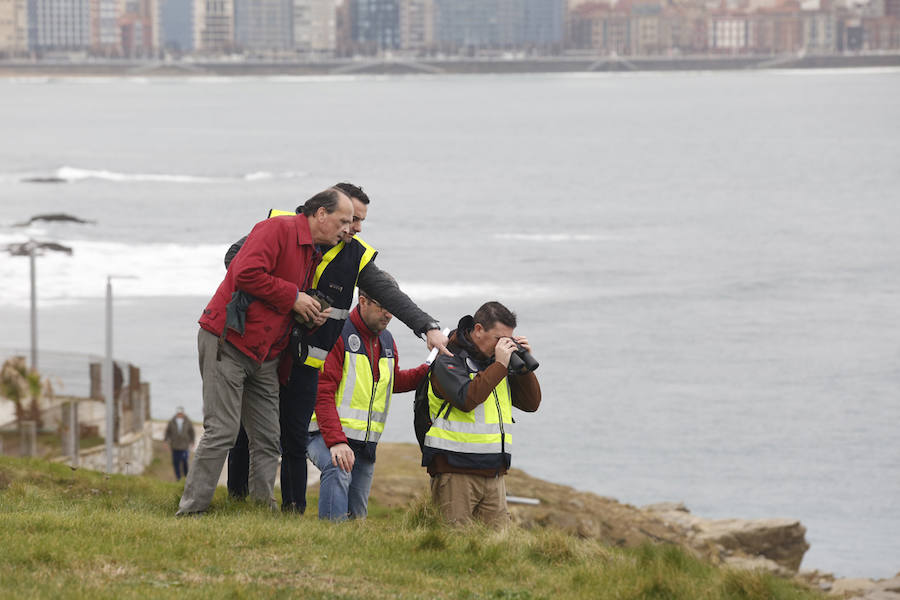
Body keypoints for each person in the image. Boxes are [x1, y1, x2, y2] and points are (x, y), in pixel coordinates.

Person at [225, 182, 449, 513]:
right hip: (267, 348)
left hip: (308, 359)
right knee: (247, 431)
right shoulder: (282, 225)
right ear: (326, 213)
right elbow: (235, 260)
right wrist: (293, 297)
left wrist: (426, 326)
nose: (355, 228)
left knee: (295, 438)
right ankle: (236, 500)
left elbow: (390, 294)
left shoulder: (356, 254)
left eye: (359, 222)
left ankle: (292, 511)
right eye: (351, 220)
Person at [176, 187, 354, 516]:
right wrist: (294, 297)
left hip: (264, 356)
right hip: (227, 341)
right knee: (223, 431)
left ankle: (262, 514)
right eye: (343, 220)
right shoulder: (276, 229)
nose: (348, 229)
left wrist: (306, 312)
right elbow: (243, 273)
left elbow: (274, 298)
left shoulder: (311, 251)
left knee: (269, 438)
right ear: (320, 215)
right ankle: (191, 512)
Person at [308, 283, 428, 520]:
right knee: (337, 467)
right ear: (363, 301)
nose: (389, 314)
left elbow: (391, 382)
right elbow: (322, 393)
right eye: (384, 306)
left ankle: (349, 550)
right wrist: (336, 442)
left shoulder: (387, 340)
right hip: (325, 434)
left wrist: (428, 371)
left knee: (357, 519)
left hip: (365, 445)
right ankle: (328, 541)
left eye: (392, 308)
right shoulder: (338, 332)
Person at [421, 301, 541, 527]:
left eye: (509, 339)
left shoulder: (499, 362)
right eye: (499, 339)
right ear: (478, 330)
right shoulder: (448, 357)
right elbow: (467, 399)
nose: (503, 345)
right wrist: (500, 365)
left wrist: (522, 367)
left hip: (494, 472)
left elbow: (531, 403)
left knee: (497, 549)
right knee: (454, 545)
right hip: (454, 470)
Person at [164, 406, 195, 480]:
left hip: (185, 446)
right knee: (176, 463)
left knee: (185, 461)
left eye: (181, 413)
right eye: (178, 413)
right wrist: (165, 441)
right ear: (177, 413)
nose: (180, 415)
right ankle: (178, 478)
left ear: (183, 413)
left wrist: (192, 441)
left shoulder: (188, 421)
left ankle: (186, 477)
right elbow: (168, 432)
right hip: (175, 446)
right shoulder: (172, 421)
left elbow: (192, 432)